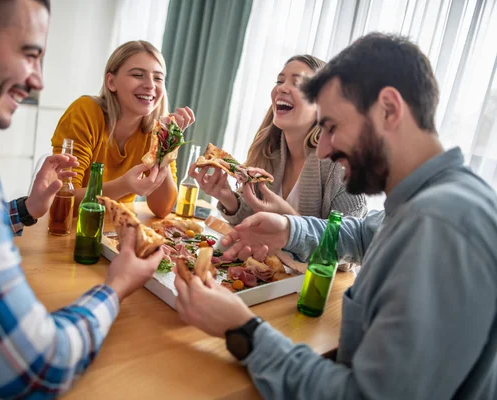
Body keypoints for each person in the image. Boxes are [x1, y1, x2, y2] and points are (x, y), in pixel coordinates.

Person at [174, 32, 497, 399]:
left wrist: (244, 330)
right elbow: (362, 235)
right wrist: (288, 229)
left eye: (332, 127)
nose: (323, 149)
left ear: (389, 110)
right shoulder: (424, 200)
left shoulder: (439, 227)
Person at [0, 0, 163, 398]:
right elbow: (39, 367)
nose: (38, 80)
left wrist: (25, 209)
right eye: (29, 54)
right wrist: (115, 288)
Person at [190, 55, 367, 224]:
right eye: (279, 81)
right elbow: (254, 224)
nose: (281, 88)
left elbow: (346, 248)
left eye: (297, 83)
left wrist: (288, 219)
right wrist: (228, 197)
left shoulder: (344, 167)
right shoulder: (269, 154)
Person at [50, 40, 195, 218]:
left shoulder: (157, 132)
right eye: (138, 75)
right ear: (111, 82)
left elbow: (162, 209)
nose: (150, 85)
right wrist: (124, 185)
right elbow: (63, 200)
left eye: (158, 78)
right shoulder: (85, 112)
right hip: (71, 229)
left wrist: (167, 145)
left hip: (116, 230)